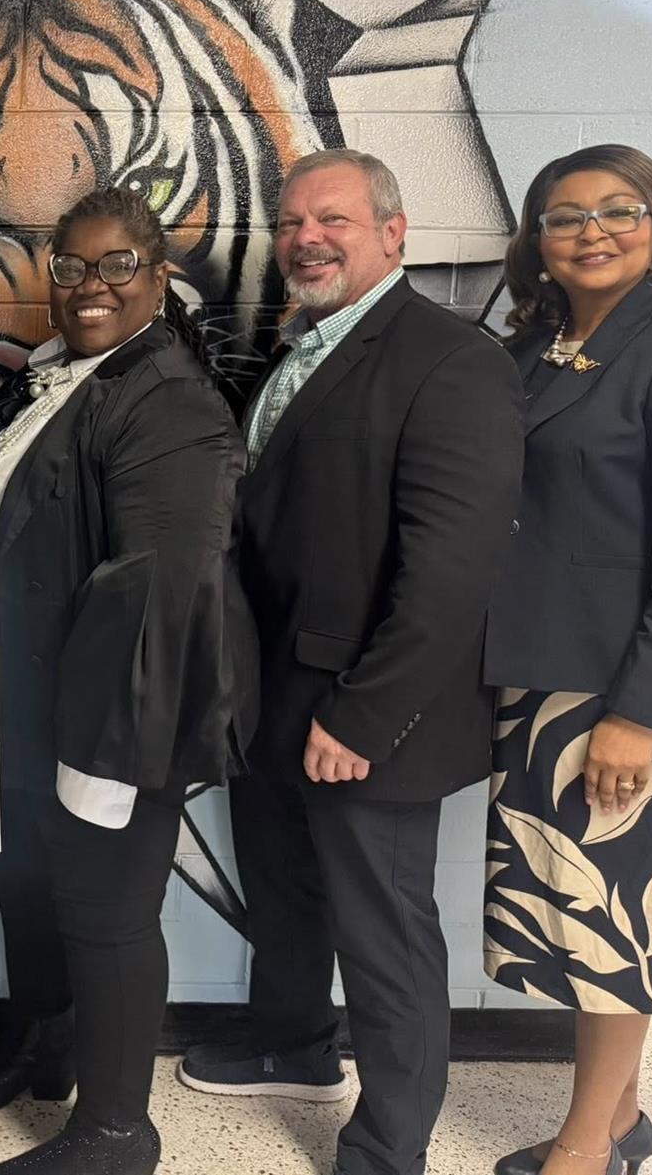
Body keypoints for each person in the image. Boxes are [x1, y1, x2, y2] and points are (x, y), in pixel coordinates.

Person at [178, 148, 524, 1175]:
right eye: (289, 223)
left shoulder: (452, 362)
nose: (305, 239)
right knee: (282, 890)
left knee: (385, 936)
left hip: (367, 712)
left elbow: (451, 574)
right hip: (275, 695)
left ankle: (388, 1145)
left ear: (393, 231)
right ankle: (293, 1045)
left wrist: (365, 718)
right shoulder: (300, 346)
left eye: (330, 218)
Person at [482, 146, 652, 1175]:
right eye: (564, 217)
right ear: (537, 242)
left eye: (617, 210)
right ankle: (623, 1115)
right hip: (548, 676)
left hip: (634, 687)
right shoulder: (531, 352)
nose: (591, 231)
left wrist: (640, 717)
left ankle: (584, 1145)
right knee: (581, 913)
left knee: (615, 931)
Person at [0, 188, 258, 1174]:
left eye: (114, 266)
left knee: (109, 916)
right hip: (29, 707)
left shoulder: (166, 394)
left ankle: (115, 1131)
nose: (90, 285)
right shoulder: (68, 378)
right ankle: (41, 1049)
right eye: (72, 267)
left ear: (157, 273)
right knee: (30, 889)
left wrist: (104, 760)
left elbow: (161, 588)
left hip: (116, 724)